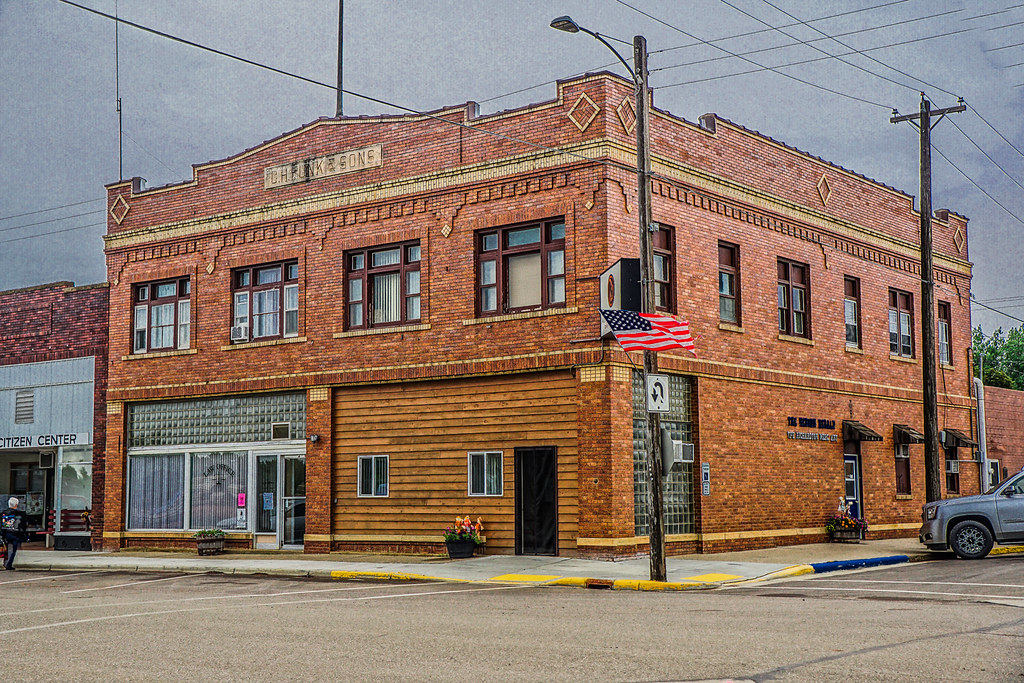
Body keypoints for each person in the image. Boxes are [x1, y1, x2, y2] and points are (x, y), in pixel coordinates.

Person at [1, 497, 28, 570]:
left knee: (6, 549)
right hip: (15, 534)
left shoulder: (3, 513)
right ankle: (8, 564)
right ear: (16, 505)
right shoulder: (19, 514)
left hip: (5, 533)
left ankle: (6, 562)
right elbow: (23, 525)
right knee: (13, 550)